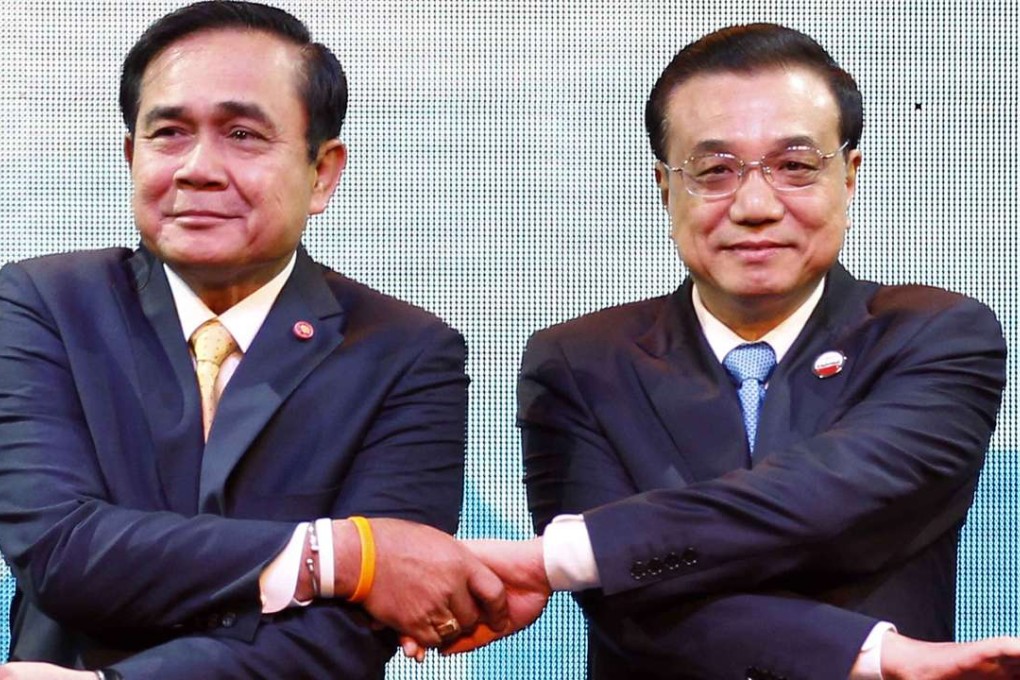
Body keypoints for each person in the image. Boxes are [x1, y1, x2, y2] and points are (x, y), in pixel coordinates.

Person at [440, 23, 1020, 680]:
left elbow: (817, 500)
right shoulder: (579, 363)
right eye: (714, 171)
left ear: (849, 177)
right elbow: (627, 603)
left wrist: (566, 556)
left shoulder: (936, 336)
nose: (754, 205)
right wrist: (880, 655)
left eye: (795, 166)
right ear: (666, 188)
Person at [0, 2, 506, 678]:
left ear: (322, 172)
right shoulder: (45, 304)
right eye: (169, 133)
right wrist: (339, 555)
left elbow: (352, 630)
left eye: (242, 134)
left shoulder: (406, 352)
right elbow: (63, 551)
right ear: (131, 156)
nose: (197, 168)